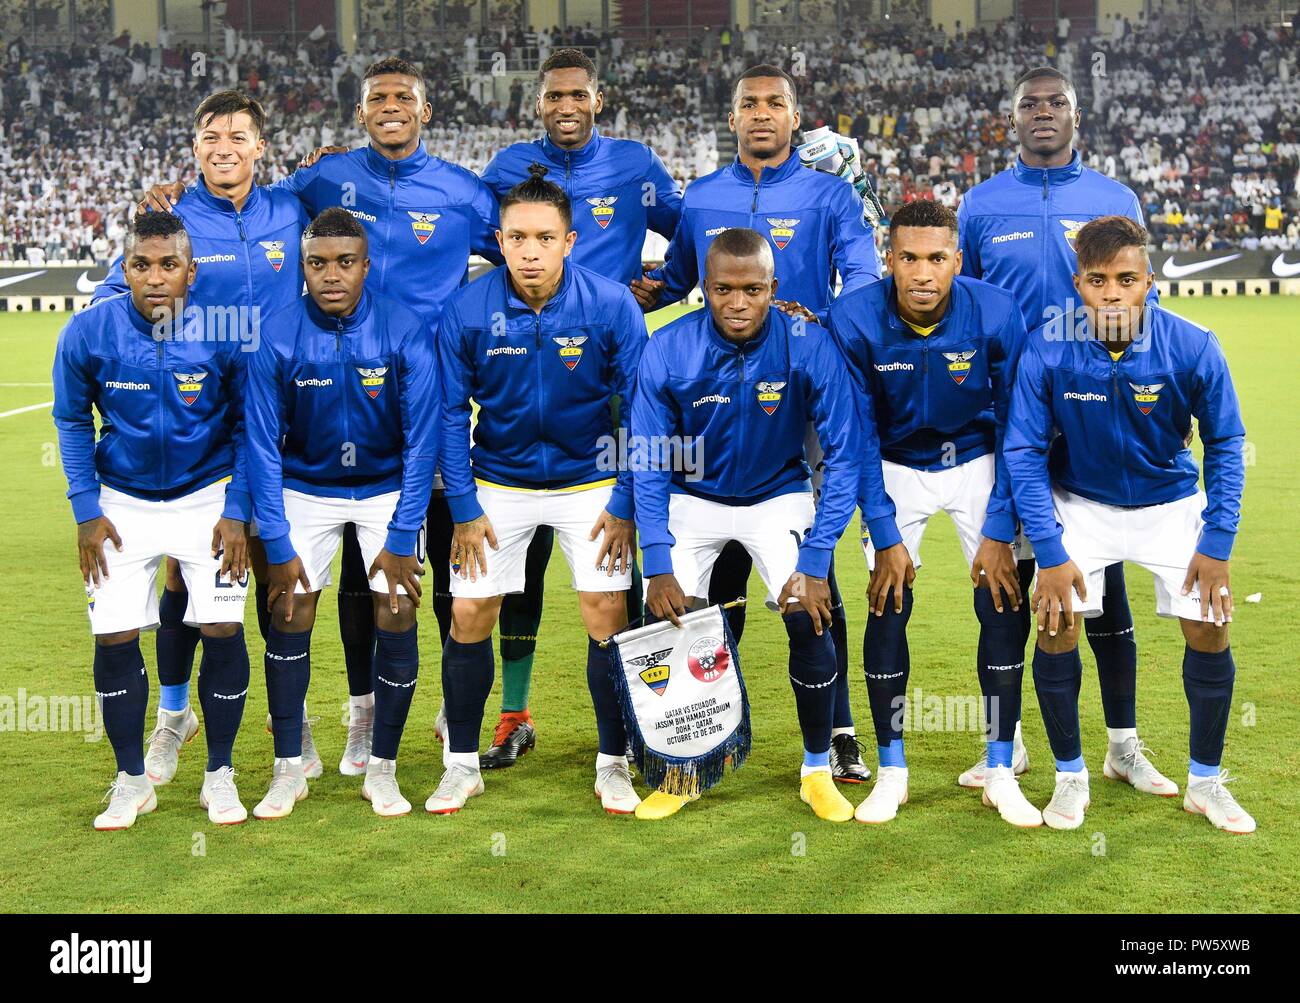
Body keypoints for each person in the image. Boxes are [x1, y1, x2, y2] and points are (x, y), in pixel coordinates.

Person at [152, 59, 503, 775]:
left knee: (423, 568)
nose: (392, 106)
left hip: (416, 407)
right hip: (271, 409)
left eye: (405, 96)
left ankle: (443, 708)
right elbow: (157, 257)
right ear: (360, 110)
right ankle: (276, 716)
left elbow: (529, 248)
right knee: (230, 573)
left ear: (427, 110)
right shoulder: (314, 184)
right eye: (378, 97)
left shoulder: (461, 193)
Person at [632, 63, 882, 785]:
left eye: (776, 103)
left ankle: (835, 729)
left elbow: (861, 278)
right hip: (715, 389)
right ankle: (710, 721)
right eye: (749, 104)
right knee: (720, 574)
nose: (762, 113)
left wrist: (821, 323)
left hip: (799, 384)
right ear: (733, 117)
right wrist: (616, 304)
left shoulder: (830, 194)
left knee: (811, 567)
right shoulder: (703, 196)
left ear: (794, 117)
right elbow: (681, 278)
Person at [955, 66, 1172, 795]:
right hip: (1007, 417)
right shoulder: (981, 205)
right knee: (1004, 584)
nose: (1043, 113)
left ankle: (1122, 743)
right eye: (1029, 104)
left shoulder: (1115, 199)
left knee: (1101, 582)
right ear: (1012, 118)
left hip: (1092, 413)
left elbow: (1133, 297)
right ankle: (1004, 742)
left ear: (1076, 113)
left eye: (1057, 103)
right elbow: (967, 306)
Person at [467, 47, 683, 767]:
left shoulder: (636, 164)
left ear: (599, 99)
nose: (565, 105)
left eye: (577, 94)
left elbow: (692, 226)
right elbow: (465, 232)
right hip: (520, 368)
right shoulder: (505, 169)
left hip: (606, 364)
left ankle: (629, 737)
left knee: (610, 585)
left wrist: (666, 285)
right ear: (539, 102)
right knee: (513, 579)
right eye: (553, 94)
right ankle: (511, 714)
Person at [1006, 215, 1253, 834]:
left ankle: (1205, 782)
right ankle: (1071, 778)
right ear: (1078, 283)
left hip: (1170, 508)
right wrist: (1050, 548)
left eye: (1125, 279)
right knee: (1057, 627)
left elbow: (1226, 443)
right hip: (1080, 505)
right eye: (1097, 280)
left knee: (1209, 628)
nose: (1112, 293)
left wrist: (1217, 540)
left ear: (1149, 281)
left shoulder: (1194, 345)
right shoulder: (1047, 346)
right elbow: (1023, 452)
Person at [100, 89, 314, 784]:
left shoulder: (292, 207)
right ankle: (172, 716)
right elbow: (115, 296)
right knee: (186, 569)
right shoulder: (169, 218)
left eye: (238, 135)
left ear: (260, 147)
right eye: (210, 135)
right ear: (194, 147)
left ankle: (294, 718)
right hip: (202, 421)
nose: (224, 146)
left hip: (288, 415)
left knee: (277, 563)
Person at [431, 166, 645, 815]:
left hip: (592, 482)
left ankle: (613, 763)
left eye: (544, 238)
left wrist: (627, 501)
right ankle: (461, 765)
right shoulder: (467, 309)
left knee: (606, 614)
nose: (530, 251)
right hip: (498, 482)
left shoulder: (611, 305)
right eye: (518, 236)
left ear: (570, 240)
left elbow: (645, 411)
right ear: (499, 239)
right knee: (470, 615)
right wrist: (463, 508)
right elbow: (446, 413)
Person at [633, 228, 864, 821]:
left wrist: (815, 561)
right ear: (702, 290)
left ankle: (816, 769)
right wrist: (656, 561)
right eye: (723, 289)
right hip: (693, 496)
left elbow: (845, 454)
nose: (738, 303)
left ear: (773, 288)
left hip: (777, 495)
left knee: (809, 615)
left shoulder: (808, 346)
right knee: (667, 623)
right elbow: (649, 458)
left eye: (753, 289)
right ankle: (680, 770)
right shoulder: (668, 348)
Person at [829, 200, 1039, 827]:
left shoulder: (997, 311)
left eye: (937, 259)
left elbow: (1019, 426)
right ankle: (892, 771)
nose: (922, 273)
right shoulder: (854, 316)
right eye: (909, 258)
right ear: (888, 259)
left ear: (958, 260)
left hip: (979, 460)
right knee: (887, 601)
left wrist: (1002, 524)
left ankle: (1001, 767)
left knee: (1003, 603)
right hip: (892, 463)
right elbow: (855, 433)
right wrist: (885, 529)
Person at [53, 212, 253, 828]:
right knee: (113, 637)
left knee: (221, 629)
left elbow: (252, 426)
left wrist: (237, 509)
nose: (156, 277)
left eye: (169, 265)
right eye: (142, 264)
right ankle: (131, 780)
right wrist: (87, 511)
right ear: (126, 269)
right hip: (121, 502)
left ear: (191, 272)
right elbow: (69, 420)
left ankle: (220, 773)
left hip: (206, 498)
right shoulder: (87, 332)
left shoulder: (227, 333)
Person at [244, 207, 438, 819]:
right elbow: (259, 445)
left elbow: (423, 439)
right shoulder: (275, 334)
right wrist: (275, 541)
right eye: (318, 263)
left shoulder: (404, 328)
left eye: (345, 262)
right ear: (302, 267)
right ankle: (288, 769)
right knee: (289, 607)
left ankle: (381, 769)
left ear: (366, 265)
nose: (332, 275)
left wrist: (405, 530)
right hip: (306, 486)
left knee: (398, 606)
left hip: (386, 486)